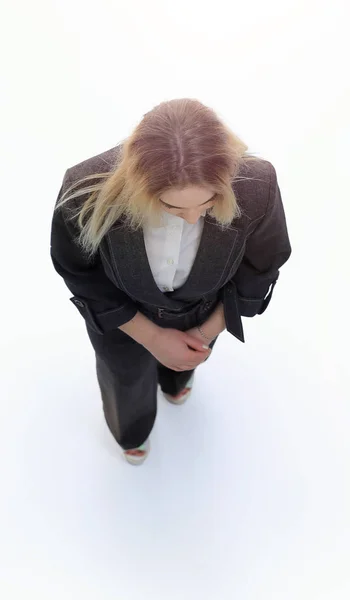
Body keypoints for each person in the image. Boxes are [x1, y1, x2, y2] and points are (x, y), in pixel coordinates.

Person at [50, 98, 291, 465]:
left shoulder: (257, 184)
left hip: (203, 311)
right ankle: (132, 432)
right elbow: (79, 272)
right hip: (120, 318)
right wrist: (151, 337)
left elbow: (261, 267)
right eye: (173, 208)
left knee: (184, 362)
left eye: (208, 203)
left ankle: (176, 382)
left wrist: (204, 333)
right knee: (124, 377)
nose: (193, 219)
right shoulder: (84, 187)